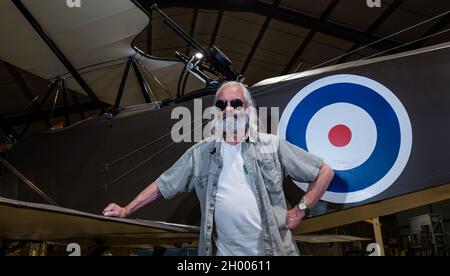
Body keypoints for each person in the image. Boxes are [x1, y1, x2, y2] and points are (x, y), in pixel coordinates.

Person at [103, 81, 334, 256]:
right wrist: (126, 209)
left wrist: (303, 208)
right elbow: (163, 184)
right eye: (222, 104)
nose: (229, 109)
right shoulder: (202, 152)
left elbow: (325, 171)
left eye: (235, 103)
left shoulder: (271, 145)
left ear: (248, 108)